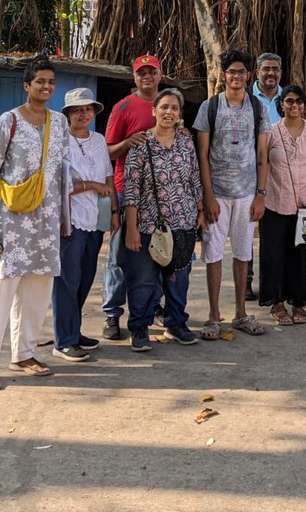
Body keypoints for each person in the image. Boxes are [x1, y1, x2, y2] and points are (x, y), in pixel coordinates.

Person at [0, 57, 70, 377]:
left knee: (39, 287)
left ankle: (24, 353)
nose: (46, 87)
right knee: (5, 286)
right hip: (11, 220)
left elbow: (63, 171)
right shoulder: (8, 121)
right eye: (40, 81)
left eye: (51, 82)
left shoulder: (60, 123)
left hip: (46, 219)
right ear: (27, 86)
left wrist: (63, 218)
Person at [194, 50, 271, 338]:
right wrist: (208, 196)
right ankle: (214, 316)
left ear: (248, 75)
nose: (236, 76)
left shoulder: (258, 109)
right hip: (218, 194)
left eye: (241, 72)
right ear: (223, 75)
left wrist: (260, 194)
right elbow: (202, 155)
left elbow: (262, 154)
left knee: (242, 252)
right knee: (213, 253)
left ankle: (240, 312)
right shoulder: (210, 107)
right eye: (231, 72)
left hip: (246, 195)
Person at [124, 88, 204, 351]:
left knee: (178, 279)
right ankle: (139, 328)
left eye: (174, 108)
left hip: (183, 222)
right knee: (144, 280)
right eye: (164, 107)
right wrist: (132, 229)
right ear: (154, 111)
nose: (169, 112)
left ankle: (176, 323)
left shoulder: (185, 142)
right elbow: (132, 189)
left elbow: (194, 180)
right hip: (148, 225)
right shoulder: (140, 145)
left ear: (180, 114)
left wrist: (200, 212)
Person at [52, 88, 118, 362]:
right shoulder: (59, 141)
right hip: (70, 220)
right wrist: (90, 185)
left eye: (88, 109)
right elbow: (56, 185)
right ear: (67, 114)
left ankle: (75, 333)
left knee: (85, 278)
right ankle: (64, 341)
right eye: (78, 109)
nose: (84, 114)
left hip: (96, 220)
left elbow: (108, 176)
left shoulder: (99, 140)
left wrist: (114, 211)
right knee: (68, 281)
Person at [101, 54, 162, 340]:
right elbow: (107, 152)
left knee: (158, 252)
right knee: (118, 254)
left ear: (160, 74)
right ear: (134, 77)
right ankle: (112, 313)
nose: (146, 77)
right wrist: (128, 142)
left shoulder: (169, 104)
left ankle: (152, 307)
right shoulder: (123, 107)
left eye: (152, 72)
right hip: (126, 188)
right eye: (141, 73)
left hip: (162, 193)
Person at [258, 86, 306, 325]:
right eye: (289, 101)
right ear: (282, 104)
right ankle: (276, 304)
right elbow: (263, 164)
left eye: (299, 101)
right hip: (276, 203)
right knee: (274, 255)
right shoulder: (271, 132)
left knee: (303, 256)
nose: (294, 105)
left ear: (305, 105)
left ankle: (299, 304)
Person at [247, 52, 284, 300]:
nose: (270, 74)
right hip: (249, 172)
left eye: (275, 69)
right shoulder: (246, 99)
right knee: (247, 229)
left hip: (280, 175)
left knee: (275, 232)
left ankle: (274, 283)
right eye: (266, 69)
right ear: (257, 72)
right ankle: (246, 281)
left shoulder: (289, 98)